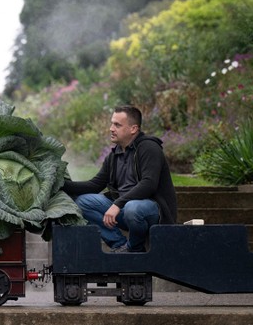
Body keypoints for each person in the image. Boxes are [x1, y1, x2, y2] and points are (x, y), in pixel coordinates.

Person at [62, 105, 177, 253]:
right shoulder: (114, 155)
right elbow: (95, 185)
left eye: (117, 125)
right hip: (124, 210)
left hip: (152, 211)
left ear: (133, 129)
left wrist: (117, 204)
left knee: (133, 208)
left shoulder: (149, 148)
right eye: (111, 123)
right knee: (83, 202)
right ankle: (119, 245)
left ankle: (135, 248)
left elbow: (149, 184)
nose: (111, 128)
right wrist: (61, 184)